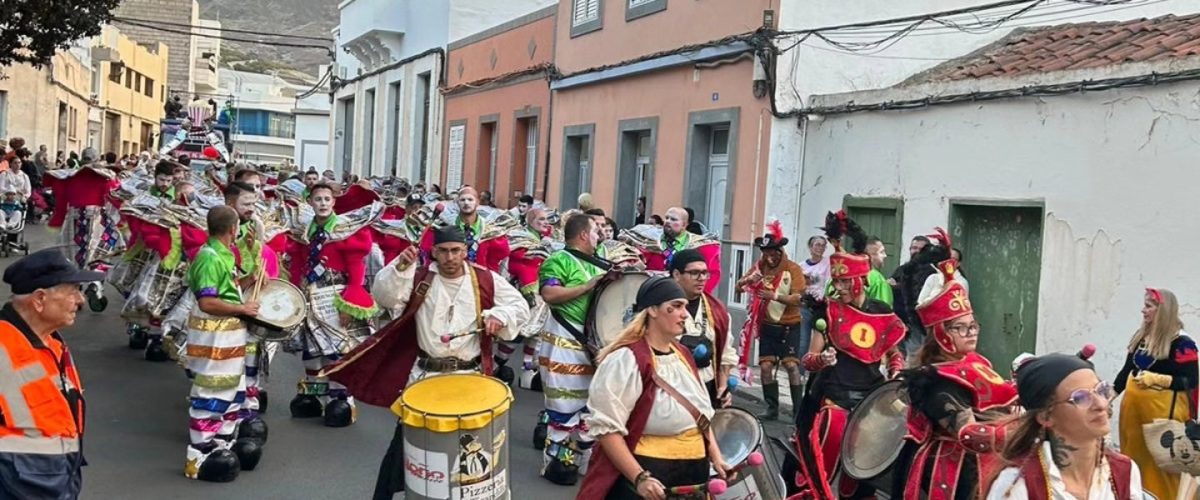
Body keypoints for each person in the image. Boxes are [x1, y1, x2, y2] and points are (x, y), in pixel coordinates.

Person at [348, 226, 529, 500]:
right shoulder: (420, 277)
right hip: (426, 378)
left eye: (456, 251)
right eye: (443, 251)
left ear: (465, 251)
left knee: (471, 447)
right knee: (410, 447)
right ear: (433, 252)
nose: (450, 257)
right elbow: (385, 297)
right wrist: (400, 267)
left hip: (471, 377)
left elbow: (520, 307)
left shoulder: (484, 279)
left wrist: (499, 316)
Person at [576, 276, 729, 499]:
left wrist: (717, 459)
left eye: (684, 306)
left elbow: (701, 417)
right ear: (653, 310)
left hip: (693, 476)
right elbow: (608, 430)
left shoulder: (683, 354)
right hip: (651, 476)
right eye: (675, 307)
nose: (684, 314)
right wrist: (640, 477)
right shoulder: (626, 360)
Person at [791, 210, 906, 499]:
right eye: (837, 282)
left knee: (865, 473)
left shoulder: (881, 311)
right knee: (823, 463)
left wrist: (895, 369)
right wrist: (822, 360)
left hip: (871, 399)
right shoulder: (827, 312)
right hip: (835, 398)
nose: (838, 288)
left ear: (860, 281)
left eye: (844, 282)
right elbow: (808, 359)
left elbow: (894, 351)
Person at [895, 245, 1017, 499]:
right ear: (940, 334)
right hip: (955, 469)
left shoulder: (977, 361)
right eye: (961, 328)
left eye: (973, 326)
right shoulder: (933, 381)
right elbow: (968, 433)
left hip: (989, 462)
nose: (971, 333)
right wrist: (1023, 430)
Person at [0, 249, 99, 499]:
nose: (81, 300)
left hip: (53, 478)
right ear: (40, 299)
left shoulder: (51, 342)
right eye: (73, 291)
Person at [986, 351, 1143, 499]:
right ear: (1046, 416)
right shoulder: (1019, 484)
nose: (1101, 404)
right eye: (1080, 398)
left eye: (1101, 390)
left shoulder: (1123, 471)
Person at [284, 183, 378, 427]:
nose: (323, 203)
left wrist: (349, 302)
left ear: (334, 202)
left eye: (327, 198)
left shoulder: (347, 230)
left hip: (335, 295)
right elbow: (297, 263)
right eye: (318, 199)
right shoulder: (303, 230)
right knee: (312, 349)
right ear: (310, 202)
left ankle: (340, 399)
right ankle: (314, 395)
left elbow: (357, 268)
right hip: (309, 294)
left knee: (337, 349)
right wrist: (294, 293)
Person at [183, 206, 263, 482]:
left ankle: (222, 443)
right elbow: (207, 302)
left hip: (230, 338)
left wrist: (249, 280)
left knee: (233, 394)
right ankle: (200, 452)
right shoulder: (208, 257)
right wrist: (243, 309)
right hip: (213, 338)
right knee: (211, 394)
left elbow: (224, 290)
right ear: (233, 229)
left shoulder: (222, 254)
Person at [538, 213, 611, 485]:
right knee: (564, 404)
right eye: (595, 230)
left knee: (592, 406)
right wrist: (588, 286)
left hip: (593, 345)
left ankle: (582, 457)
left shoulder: (600, 261)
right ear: (583, 234)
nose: (599, 235)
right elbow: (550, 294)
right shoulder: (558, 260)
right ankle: (555, 459)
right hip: (564, 344)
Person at [1113, 288, 1195, 500]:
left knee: (1161, 470)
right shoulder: (1141, 338)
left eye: (1149, 306)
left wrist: (1160, 379)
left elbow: (1191, 380)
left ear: (1163, 310)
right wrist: (1108, 395)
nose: (1143, 310)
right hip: (1133, 418)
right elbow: (1125, 372)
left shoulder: (1182, 343)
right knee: (1133, 465)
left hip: (1161, 421)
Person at [734, 221, 807, 421]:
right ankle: (771, 408)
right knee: (765, 367)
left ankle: (798, 410)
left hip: (790, 325)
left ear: (780, 251)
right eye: (766, 252)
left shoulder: (793, 269)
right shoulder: (759, 267)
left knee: (791, 366)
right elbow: (739, 288)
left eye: (774, 252)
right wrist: (746, 281)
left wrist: (774, 296)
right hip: (767, 325)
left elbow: (798, 298)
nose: (770, 257)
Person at [671, 249, 736, 408]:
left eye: (705, 273)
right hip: (671, 389)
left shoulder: (718, 311)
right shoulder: (661, 307)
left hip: (706, 388)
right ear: (677, 275)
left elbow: (725, 354)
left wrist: (722, 386)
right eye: (694, 273)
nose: (701, 279)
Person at [621, 206, 721, 294]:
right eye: (667, 218)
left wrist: (693, 295)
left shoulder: (702, 246)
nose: (668, 221)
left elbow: (712, 274)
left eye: (673, 219)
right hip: (652, 292)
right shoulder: (648, 240)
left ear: (684, 225)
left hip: (685, 295)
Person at [417, 186, 510, 274]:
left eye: (470, 199)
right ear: (457, 202)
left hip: (479, 281)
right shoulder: (443, 227)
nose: (466, 203)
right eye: (462, 199)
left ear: (477, 202)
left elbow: (497, 260)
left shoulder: (490, 232)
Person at [798, 235, 830, 383]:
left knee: (820, 340)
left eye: (823, 245)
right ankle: (801, 372)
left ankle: (817, 372)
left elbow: (829, 282)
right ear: (810, 247)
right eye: (817, 245)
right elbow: (798, 286)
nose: (820, 248)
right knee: (803, 340)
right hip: (805, 305)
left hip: (821, 305)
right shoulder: (801, 266)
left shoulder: (827, 264)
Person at [864, 237, 894, 307]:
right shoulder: (877, 280)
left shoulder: (845, 274)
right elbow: (884, 310)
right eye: (881, 252)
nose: (885, 255)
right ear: (869, 256)